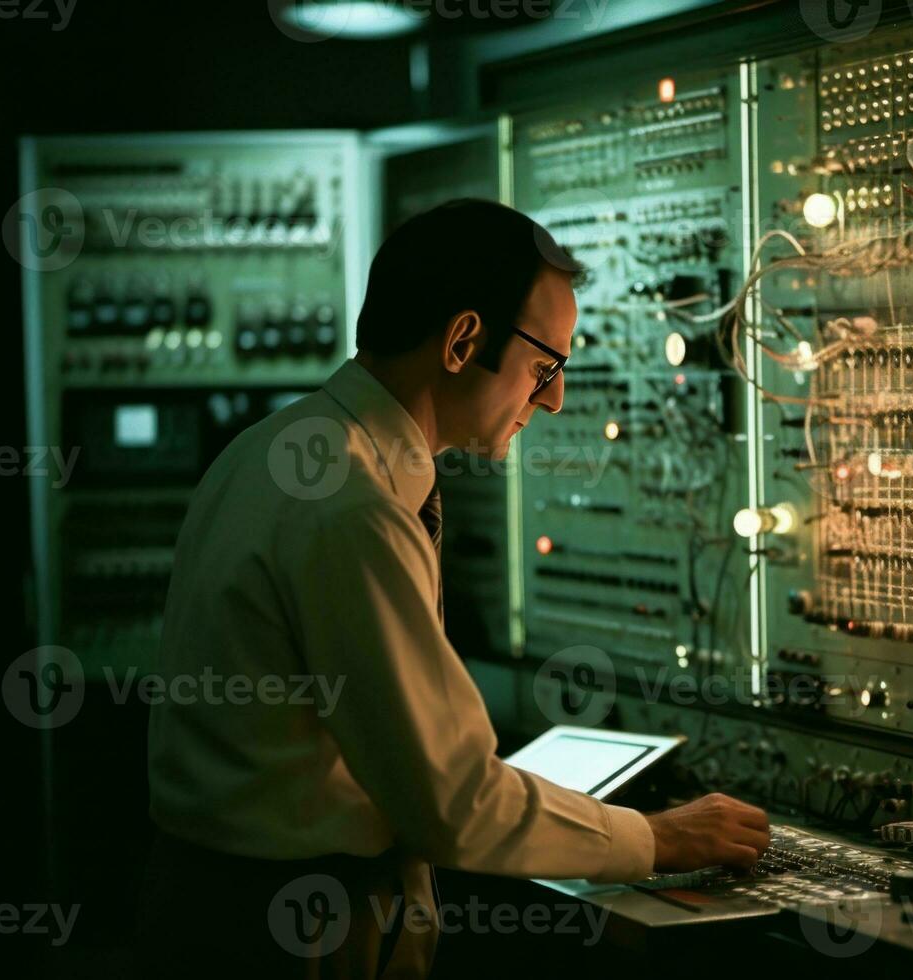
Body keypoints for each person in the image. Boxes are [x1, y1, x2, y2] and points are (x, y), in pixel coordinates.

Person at [137, 198, 770, 979]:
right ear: (464, 339)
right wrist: (660, 838)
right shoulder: (352, 509)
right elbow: (455, 802)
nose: (553, 399)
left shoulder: (272, 450)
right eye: (546, 368)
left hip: (226, 907)